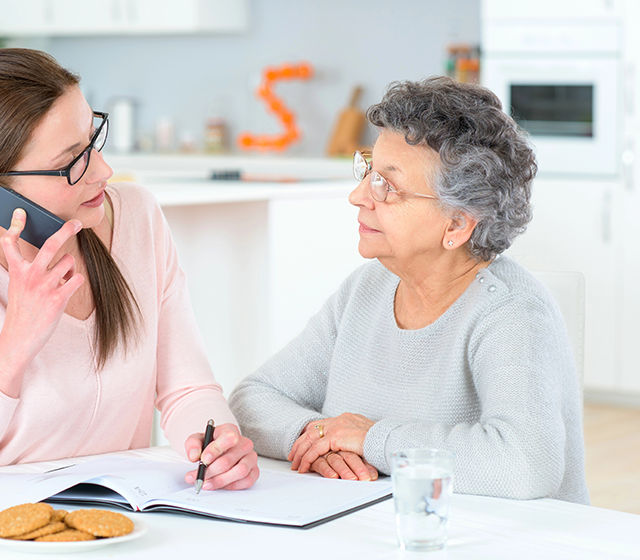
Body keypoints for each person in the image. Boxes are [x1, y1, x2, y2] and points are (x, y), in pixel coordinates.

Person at [0, 48, 258, 491]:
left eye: (93, 141)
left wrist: (216, 444)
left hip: (118, 525)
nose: (104, 170)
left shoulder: (138, 219)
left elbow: (187, 390)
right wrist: (14, 346)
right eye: (72, 161)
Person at [228, 76, 589, 504]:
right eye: (367, 171)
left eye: (388, 185)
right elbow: (252, 399)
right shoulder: (366, 290)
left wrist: (372, 439)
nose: (358, 196)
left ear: (457, 223)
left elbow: (525, 466)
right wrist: (317, 437)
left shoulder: (512, 312)